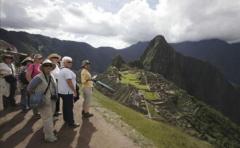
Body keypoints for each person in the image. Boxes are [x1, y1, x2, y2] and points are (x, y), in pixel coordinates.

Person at [27, 59, 58, 142]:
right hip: (44, 102)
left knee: (50, 117)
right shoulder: (38, 77)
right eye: (46, 65)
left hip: (52, 100)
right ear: (42, 67)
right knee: (47, 118)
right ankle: (49, 137)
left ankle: (47, 131)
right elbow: (29, 88)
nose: (48, 67)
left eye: (50, 65)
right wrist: (37, 96)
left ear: (52, 67)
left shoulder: (51, 75)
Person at [58, 56, 79, 128]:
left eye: (71, 62)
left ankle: (66, 119)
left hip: (62, 92)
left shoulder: (61, 70)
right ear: (64, 63)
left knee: (65, 106)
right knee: (69, 107)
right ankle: (71, 123)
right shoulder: (67, 71)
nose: (70, 63)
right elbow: (69, 81)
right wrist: (74, 91)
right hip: (67, 92)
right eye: (68, 62)